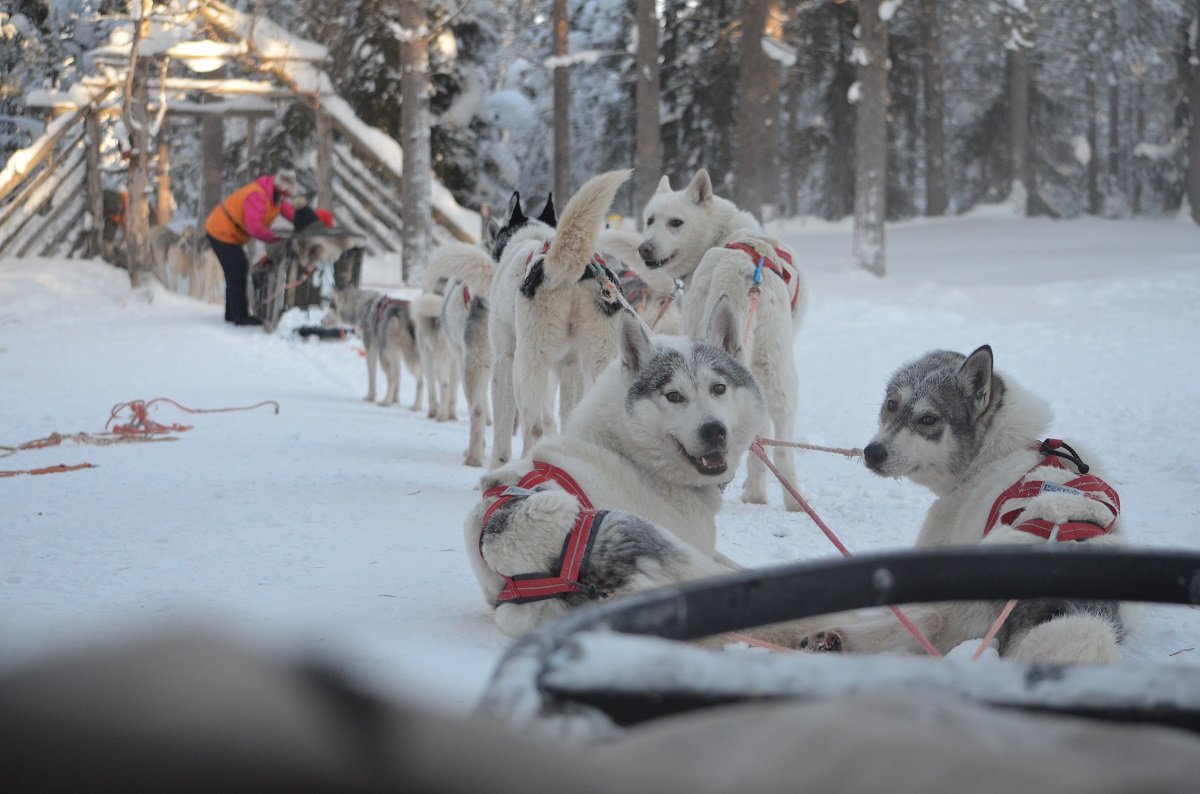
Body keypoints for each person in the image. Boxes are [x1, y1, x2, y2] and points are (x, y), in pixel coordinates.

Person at [204, 170, 299, 325]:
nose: (287, 196)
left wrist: (307, 221)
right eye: (286, 192)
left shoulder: (274, 197)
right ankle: (240, 316)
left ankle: (232, 313)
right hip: (220, 231)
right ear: (281, 188)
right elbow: (254, 228)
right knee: (238, 271)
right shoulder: (258, 196)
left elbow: (290, 212)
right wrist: (274, 238)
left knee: (236, 271)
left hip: (230, 233)